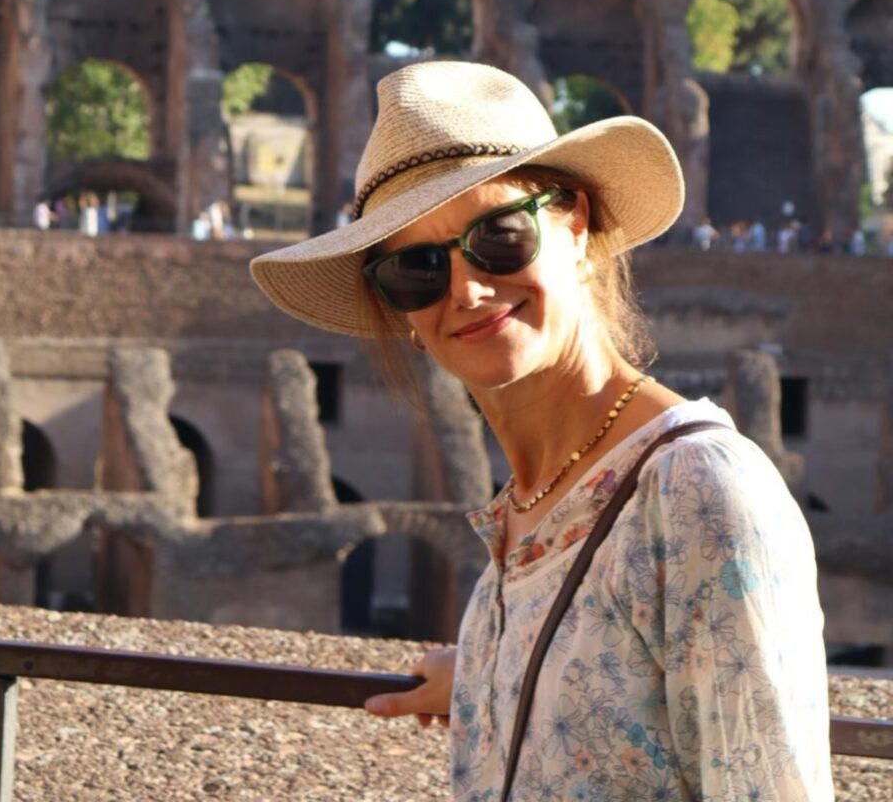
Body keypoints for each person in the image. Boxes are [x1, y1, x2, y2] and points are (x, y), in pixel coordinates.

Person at [250, 62, 832, 801]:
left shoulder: (697, 489)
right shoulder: (531, 507)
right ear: (403, 313)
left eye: (498, 237)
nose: (467, 288)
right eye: (417, 268)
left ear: (576, 227)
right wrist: (492, 672)